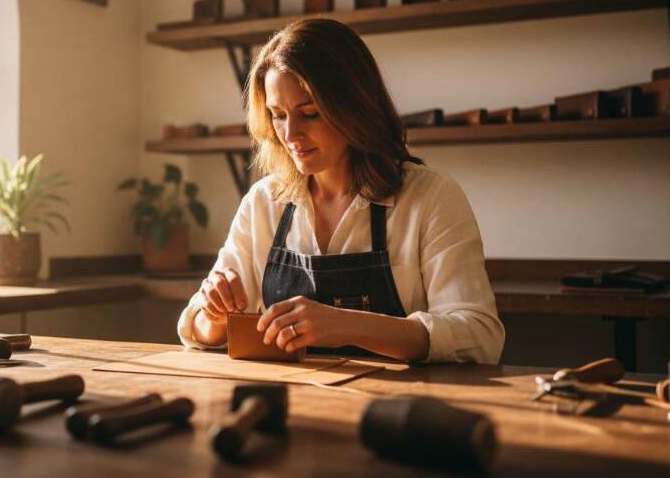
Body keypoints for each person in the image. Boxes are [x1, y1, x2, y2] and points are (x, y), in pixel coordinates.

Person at [177, 18, 504, 363]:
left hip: (397, 408)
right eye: (277, 115)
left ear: (354, 108)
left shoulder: (430, 197)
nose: (290, 134)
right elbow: (195, 329)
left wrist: (347, 325)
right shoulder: (263, 202)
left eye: (310, 113)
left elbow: (479, 337)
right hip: (295, 403)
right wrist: (213, 315)